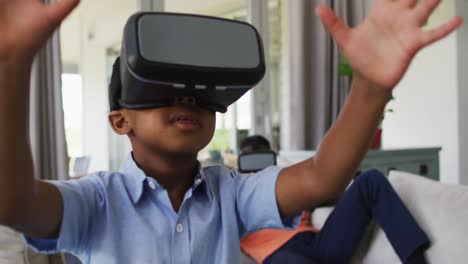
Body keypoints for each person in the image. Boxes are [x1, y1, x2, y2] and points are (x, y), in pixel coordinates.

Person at [0, 0, 462, 263]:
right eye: (163, 90)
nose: (187, 100)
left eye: (202, 94)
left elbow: (323, 177)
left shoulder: (232, 193)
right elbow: (14, 202)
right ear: (122, 121)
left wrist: (371, 87)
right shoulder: (97, 201)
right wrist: (11, 67)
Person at [238, 135, 429, 264]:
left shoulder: (286, 181)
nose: (256, 166)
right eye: (249, 157)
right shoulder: (235, 193)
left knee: (370, 180)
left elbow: (330, 193)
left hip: (319, 243)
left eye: (261, 155)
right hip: (278, 253)